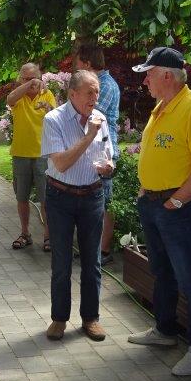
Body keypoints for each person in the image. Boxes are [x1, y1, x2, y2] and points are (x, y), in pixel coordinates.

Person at [127, 47, 191, 376]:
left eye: (149, 74)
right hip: (153, 203)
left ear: (167, 75)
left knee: (190, 276)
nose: (145, 81)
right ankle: (165, 331)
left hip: (176, 207)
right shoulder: (161, 107)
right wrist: (146, 190)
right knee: (162, 271)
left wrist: (176, 201)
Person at [41, 70, 114, 343]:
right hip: (60, 197)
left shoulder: (100, 119)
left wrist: (109, 166)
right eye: (89, 92)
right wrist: (88, 136)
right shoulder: (54, 119)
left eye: (97, 92)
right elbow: (60, 163)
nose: (94, 98)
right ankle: (59, 318)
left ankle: (91, 318)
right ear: (72, 94)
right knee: (61, 262)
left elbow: (108, 154)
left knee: (92, 261)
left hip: (92, 195)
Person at [75, 44, 121, 264]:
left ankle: (103, 251)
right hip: (92, 149)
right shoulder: (98, 83)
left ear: (87, 64)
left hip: (104, 151)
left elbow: (90, 114)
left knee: (104, 201)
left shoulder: (106, 86)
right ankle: (92, 248)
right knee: (93, 201)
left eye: (78, 64)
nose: (76, 69)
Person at [5, 62, 57, 252]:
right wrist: (28, 84)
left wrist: (48, 107)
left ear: (41, 78)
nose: (31, 83)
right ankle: (25, 233)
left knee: (46, 198)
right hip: (21, 154)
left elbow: (57, 119)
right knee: (22, 197)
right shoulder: (18, 96)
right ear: (21, 80)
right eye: (26, 79)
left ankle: (48, 236)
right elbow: (10, 99)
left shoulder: (47, 94)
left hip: (43, 155)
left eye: (34, 78)